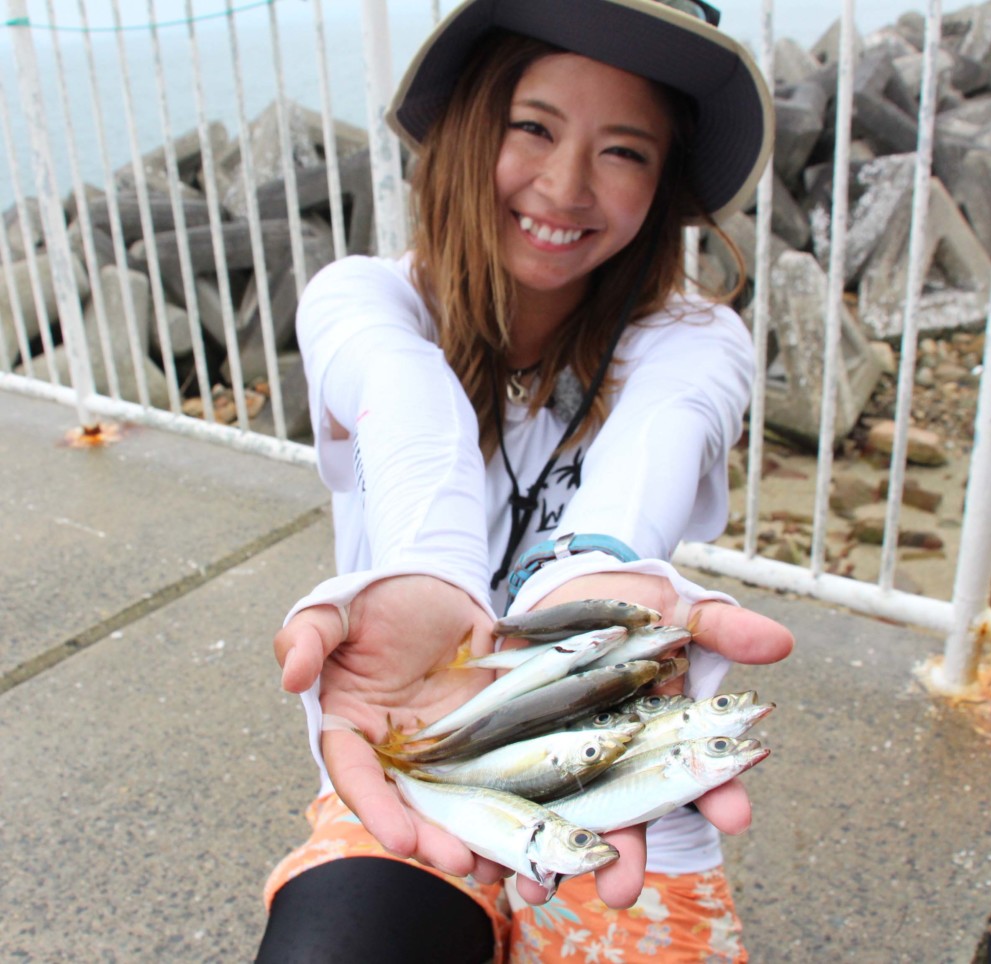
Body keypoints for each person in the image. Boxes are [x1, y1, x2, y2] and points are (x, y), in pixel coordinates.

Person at [258, 0, 794, 960]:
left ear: (664, 181)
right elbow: (403, 393)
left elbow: (660, 440)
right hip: (413, 751)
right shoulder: (364, 298)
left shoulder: (697, 339)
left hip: (616, 772)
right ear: (470, 127)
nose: (565, 185)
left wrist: (597, 571)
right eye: (534, 127)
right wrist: (431, 567)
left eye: (623, 150)